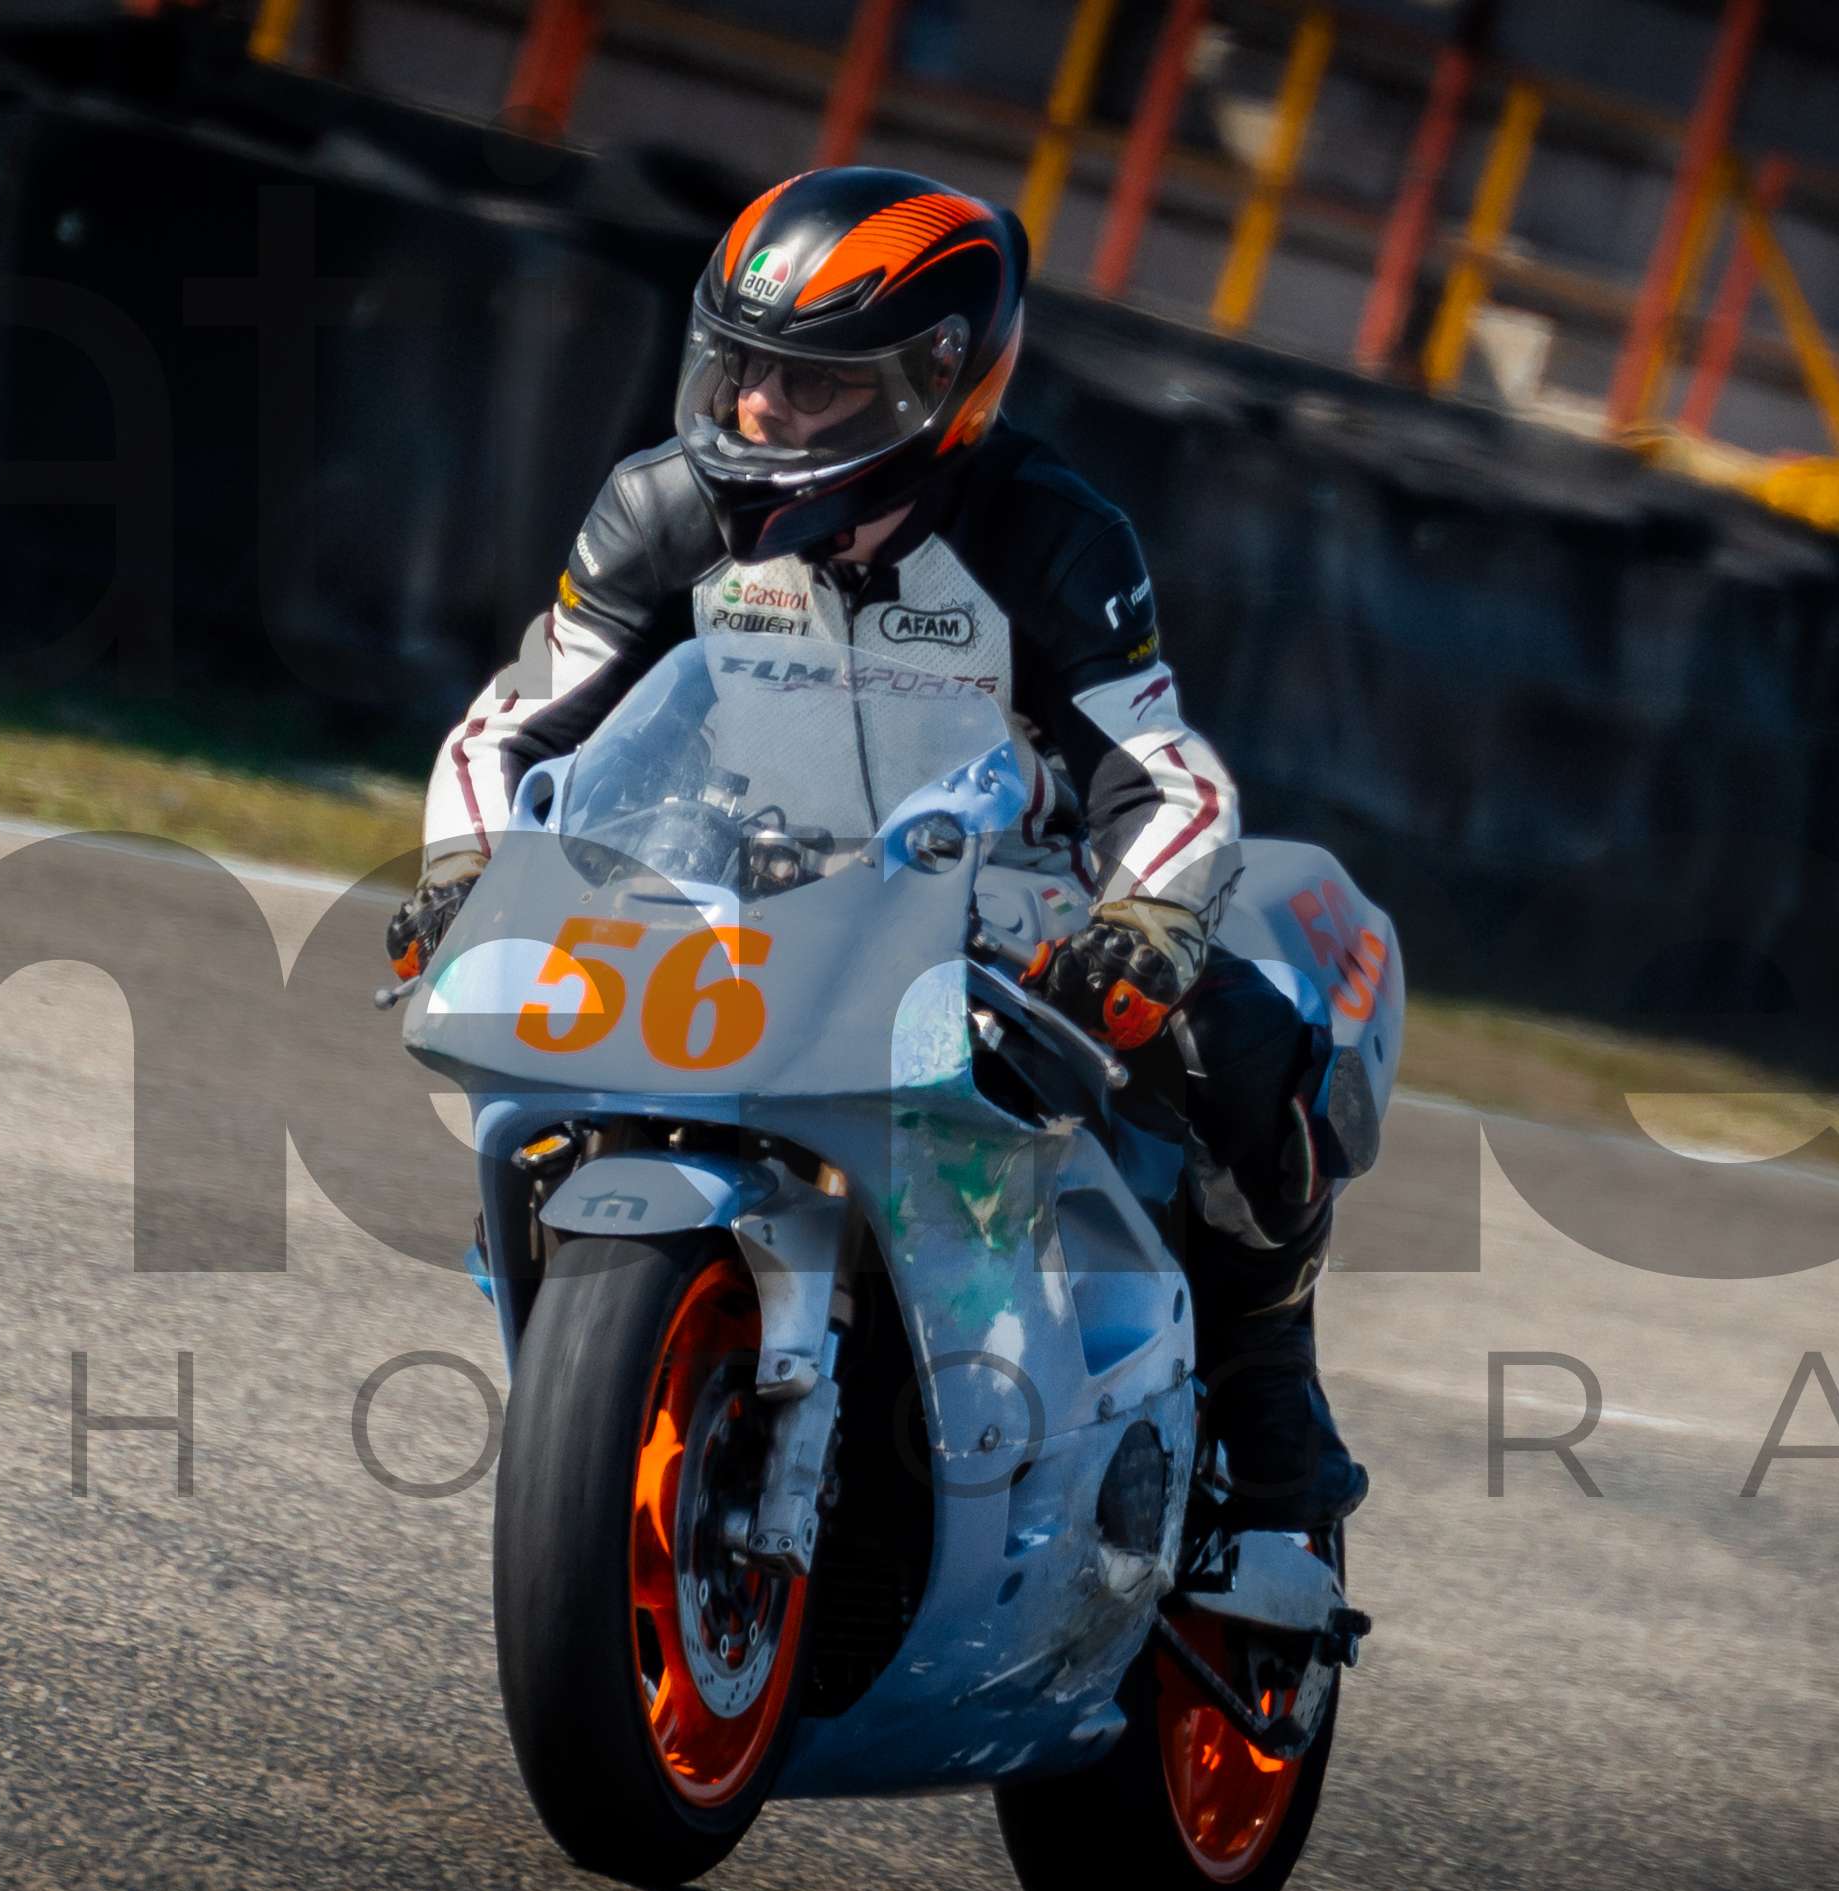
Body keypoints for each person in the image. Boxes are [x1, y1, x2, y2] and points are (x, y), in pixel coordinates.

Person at [385, 167, 1370, 1530]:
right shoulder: (659, 511)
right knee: (548, 1075)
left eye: (811, 384)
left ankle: (1267, 1379)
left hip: (1002, 907)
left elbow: (1162, 774)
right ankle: (613, 1353)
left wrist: (1142, 926)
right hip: (729, 877)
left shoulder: (1051, 535)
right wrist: (464, 868)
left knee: (1236, 1042)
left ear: (936, 386)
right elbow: (511, 726)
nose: (758, 409)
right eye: (743, 367)